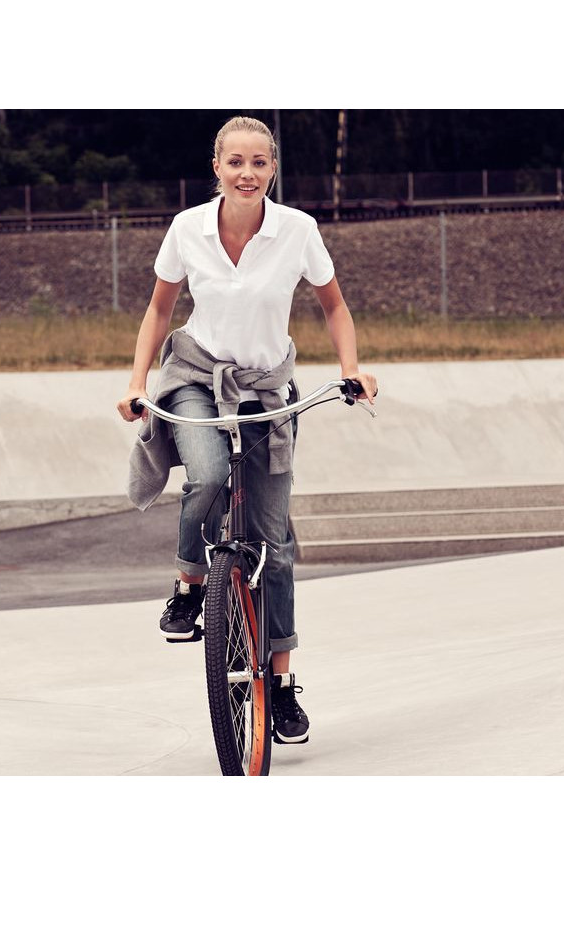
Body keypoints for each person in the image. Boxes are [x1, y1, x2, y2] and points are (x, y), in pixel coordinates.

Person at [117, 115, 378, 746]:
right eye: (235, 162)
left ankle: (281, 686)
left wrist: (351, 369)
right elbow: (159, 307)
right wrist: (136, 382)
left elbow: (335, 305)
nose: (247, 173)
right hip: (196, 375)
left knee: (274, 545)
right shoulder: (188, 228)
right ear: (217, 167)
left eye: (259, 162)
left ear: (273, 169)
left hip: (267, 388)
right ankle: (189, 585)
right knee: (207, 475)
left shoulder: (298, 230)